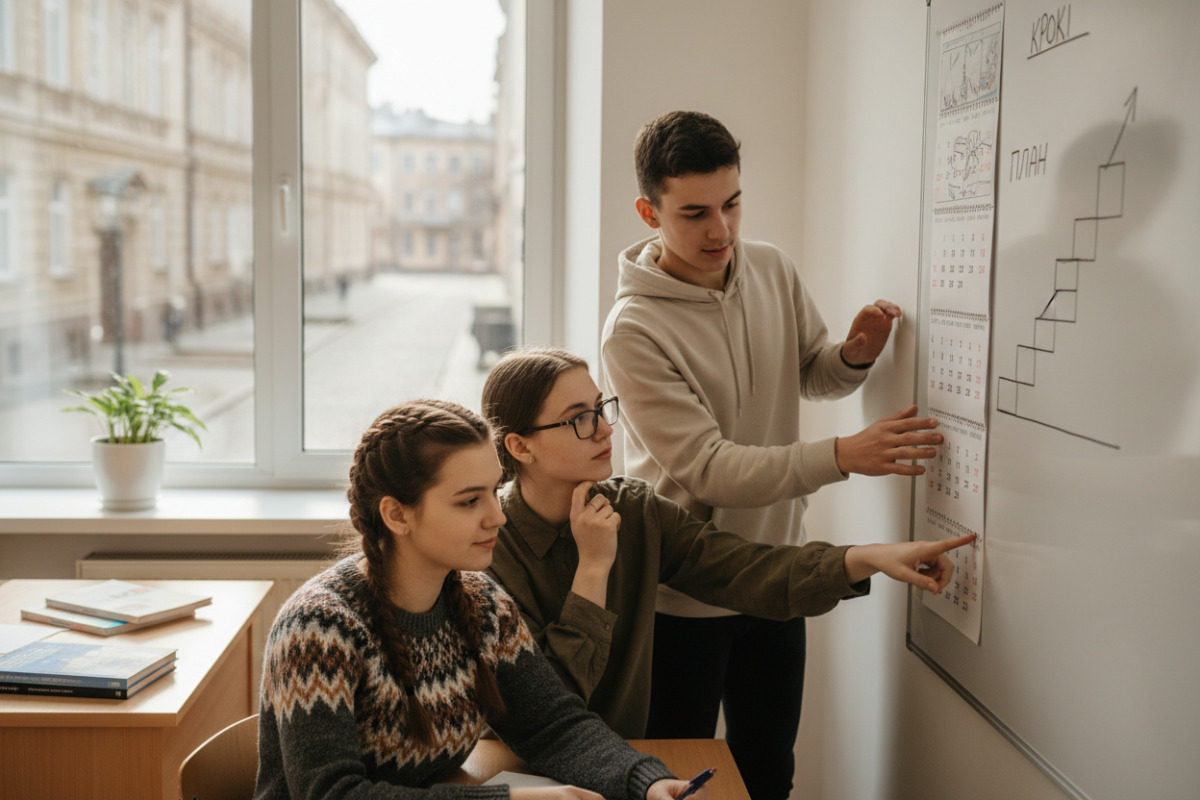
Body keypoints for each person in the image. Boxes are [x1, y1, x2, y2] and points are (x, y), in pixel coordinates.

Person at [598, 110, 947, 800]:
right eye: (695, 212)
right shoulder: (631, 331)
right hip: (681, 593)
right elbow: (709, 466)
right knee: (678, 782)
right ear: (649, 212)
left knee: (769, 775)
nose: (720, 230)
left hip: (777, 577)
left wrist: (852, 356)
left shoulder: (770, 267)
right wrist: (843, 455)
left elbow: (811, 371)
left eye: (731, 203)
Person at [480, 346, 973, 745]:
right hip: (524, 769)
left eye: (601, 409)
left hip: (626, 762)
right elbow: (545, 706)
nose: (606, 429)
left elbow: (743, 568)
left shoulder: (635, 511)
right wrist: (592, 569)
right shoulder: (486, 552)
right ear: (520, 447)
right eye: (579, 419)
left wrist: (869, 557)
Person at [254, 398, 700, 800]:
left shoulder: (481, 602)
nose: (498, 516)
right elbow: (331, 794)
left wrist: (646, 781)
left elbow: (552, 726)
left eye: (494, 491)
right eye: (469, 501)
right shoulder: (318, 627)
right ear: (396, 514)